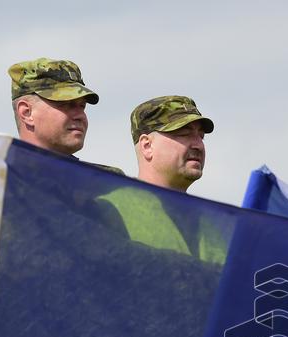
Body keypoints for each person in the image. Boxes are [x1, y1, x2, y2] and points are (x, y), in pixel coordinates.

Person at [95, 96, 228, 263]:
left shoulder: (215, 225)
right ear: (147, 146)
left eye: (201, 136)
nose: (198, 145)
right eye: (184, 134)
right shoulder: (106, 209)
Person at [8, 58, 99, 156]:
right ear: (27, 112)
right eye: (65, 104)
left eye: (82, 106)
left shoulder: (95, 172)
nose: (80, 116)